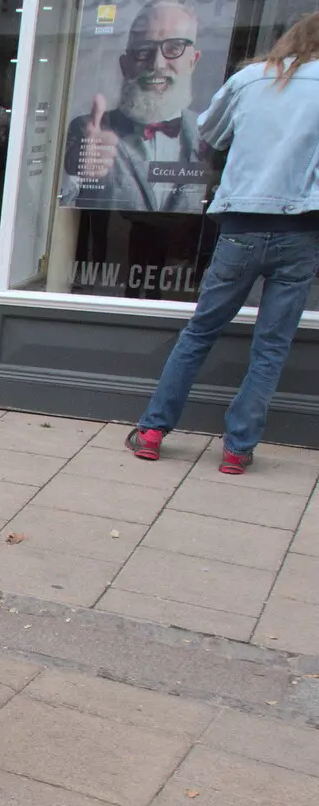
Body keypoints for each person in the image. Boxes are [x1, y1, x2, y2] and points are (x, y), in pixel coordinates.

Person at [128, 13, 319, 475]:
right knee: (271, 346)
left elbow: (211, 133)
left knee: (200, 332)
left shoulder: (251, 78)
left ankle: (153, 431)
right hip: (302, 230)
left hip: (241, 226)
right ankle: (237, 448)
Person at [61, 0, 209, 211]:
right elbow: (57, 202)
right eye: (143, 50)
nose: (157, 64)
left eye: (174, 47)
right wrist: (74, 169)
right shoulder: (87, 130)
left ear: (193, 61)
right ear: (124, 65)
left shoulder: (208, 133)